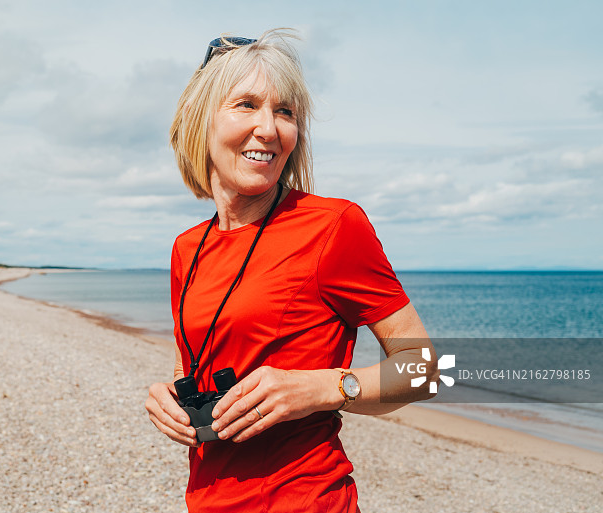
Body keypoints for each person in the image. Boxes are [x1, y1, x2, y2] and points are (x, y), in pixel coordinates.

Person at [145, 29, 439, 513]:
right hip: (205, 501)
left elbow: (424, 371)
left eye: (285, 112)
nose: (269, 127)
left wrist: (324, 386)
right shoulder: (186, 248)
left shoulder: (335, 225)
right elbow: (192, 359)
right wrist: (171, 400)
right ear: (201, 120)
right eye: (246, 104)